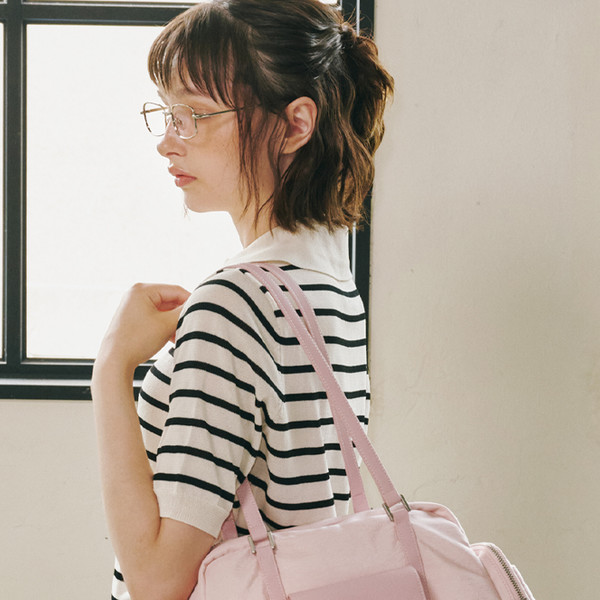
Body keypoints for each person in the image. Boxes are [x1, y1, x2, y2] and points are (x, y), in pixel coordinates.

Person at [91, 1, 394, 598]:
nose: (167, 143)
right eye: (167, 113)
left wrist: (110, 367)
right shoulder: (332, 289)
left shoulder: (235, 302)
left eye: (194, 114)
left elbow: (158, 581)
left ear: (295, 125)